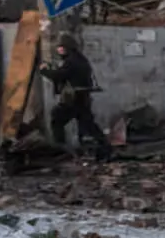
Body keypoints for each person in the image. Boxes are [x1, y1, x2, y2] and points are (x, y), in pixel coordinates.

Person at [38, 33, 111, 161]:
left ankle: (61, 149)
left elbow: (59, 76)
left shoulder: (71, 61)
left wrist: (44, 71)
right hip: (83, 97)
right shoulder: (80, 59)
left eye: (61, 47)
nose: (59, 50)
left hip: (74, 99)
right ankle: (104, 148)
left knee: (57, 118)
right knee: (88, 124)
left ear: (67, 47)